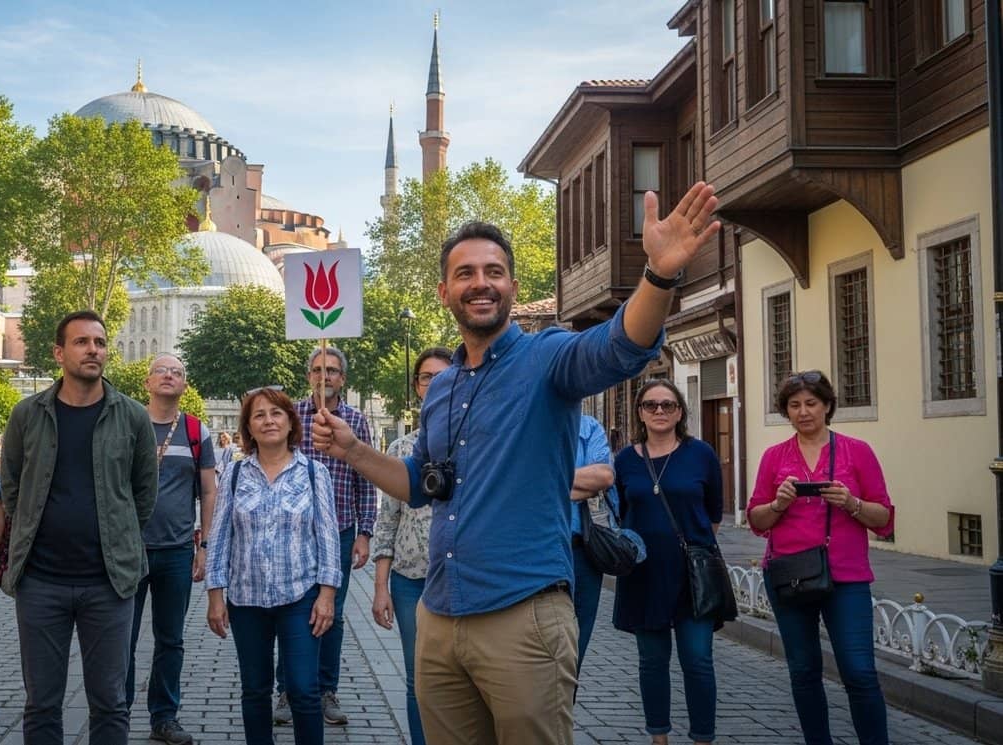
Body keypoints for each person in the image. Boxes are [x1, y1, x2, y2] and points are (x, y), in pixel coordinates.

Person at [308, 181, 721, 744]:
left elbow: (619, 345)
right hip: (440, 612)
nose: (481, 282)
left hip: (522, 617)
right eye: (466, 273)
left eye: (493, 271)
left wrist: (659, 275)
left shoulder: (548, 358)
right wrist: (352, 450)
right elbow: (417, 485)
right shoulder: (443, 387)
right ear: (444, 292)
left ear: (512, 286)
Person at [0, 310, 158, 745]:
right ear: (59, 352)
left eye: (100, 342)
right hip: (40, 581)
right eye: (82, 342)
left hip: (109, 582)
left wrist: (117, 533)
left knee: (109, 701)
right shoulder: (28, 414)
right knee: (42, 702)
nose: (94, 350)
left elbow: (144, 494)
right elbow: (11, 485)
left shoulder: (131, 416)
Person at [747, 370, 894, 745]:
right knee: (804, 671)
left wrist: (852, 502)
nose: (803, 412)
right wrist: (778, 504)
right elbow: (756, 519)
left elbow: (884, 518)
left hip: (846, 577)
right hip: (789, 575)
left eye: (811, 403)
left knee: (859, 672)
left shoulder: (856, 451)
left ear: (828, 406)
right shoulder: (774, 456)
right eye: (794, 405)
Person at [205, 386, 342, 745]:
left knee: (303, 689)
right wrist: (215, 596)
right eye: (259, 415)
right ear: (248, 427)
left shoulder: (314, 473)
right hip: (246, 599)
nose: (269, 421)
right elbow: (219, 537)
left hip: (300, 597)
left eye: (276, 413)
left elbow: (328, 538)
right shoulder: (234, 474)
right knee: (254, 689)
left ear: (290, 421)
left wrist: (327, 595)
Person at [612, 380, 723, 745]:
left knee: (698, 660)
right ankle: (658, 737)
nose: (659, 411)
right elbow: (623, 513)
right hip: (644, 574)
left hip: (692, 576)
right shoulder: (626, 459)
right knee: (652, 662)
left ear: (680, 412)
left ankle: (703, 738)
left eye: (668, 405)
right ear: (640, 413)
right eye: (650, 405)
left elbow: (713, 513)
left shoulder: (701, 454)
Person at [274, 346, 376, 727]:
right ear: (308, 376)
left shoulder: (356, 421)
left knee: (330, 614)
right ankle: (287, 690)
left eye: (332, 370)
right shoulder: (292, 416)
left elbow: (365, 480)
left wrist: (365, 533)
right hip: (293, 532)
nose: (324, 376)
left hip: (340, 530)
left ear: (342, 378)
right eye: (317, 369)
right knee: (291, 612)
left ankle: (325, 690)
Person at [125, 355, 218, 745]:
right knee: (120, 639)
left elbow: (209, 490)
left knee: (171, 639)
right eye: (162, 370)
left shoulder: (197, 431)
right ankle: (115, 713)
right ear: (147, 381)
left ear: (184, 385)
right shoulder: (127, 425)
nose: (169, 376)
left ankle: (164, 717)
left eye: (177, 372)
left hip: (177, 552)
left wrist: (205, 545)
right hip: (127, 552)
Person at [370, 346, 452, 745]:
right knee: (418, 678)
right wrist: (380, 586)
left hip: (462, 579)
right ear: (416, 387)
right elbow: (387, 521)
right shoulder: (401, 450)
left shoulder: (475, 443)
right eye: (426, 378)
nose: (434, 384)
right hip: (410, 580)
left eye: (443, 376)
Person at [569, 413, 618, 670]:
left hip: (582, 552)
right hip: (533, 552)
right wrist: (579, 484)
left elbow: (603, 477)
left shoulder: (587, 427)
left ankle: (566, 705)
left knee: (577, 644)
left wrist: (542, 485)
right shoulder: (519, 420)